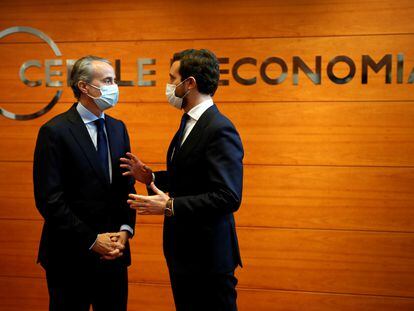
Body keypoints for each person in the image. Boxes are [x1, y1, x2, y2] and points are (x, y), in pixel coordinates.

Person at [122, 49, 243, 311]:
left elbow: (228, 196)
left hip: (208, 256)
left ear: (189, 83)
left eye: (171, 78)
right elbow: (190, 178)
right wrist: (151, 176)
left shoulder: (219, 128)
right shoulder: (188, 122)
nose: (168, 86)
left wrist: (170, 206)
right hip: (184, 254)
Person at [33, 55, 136, 311]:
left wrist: (125, 231)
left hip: (113, 255)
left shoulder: (118, 128)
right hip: (69, 257)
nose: (114, 87)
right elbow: (49, 200)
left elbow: (125, 188)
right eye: (108, 80)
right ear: (84, 86)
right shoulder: (54, 131)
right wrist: (91, 240)